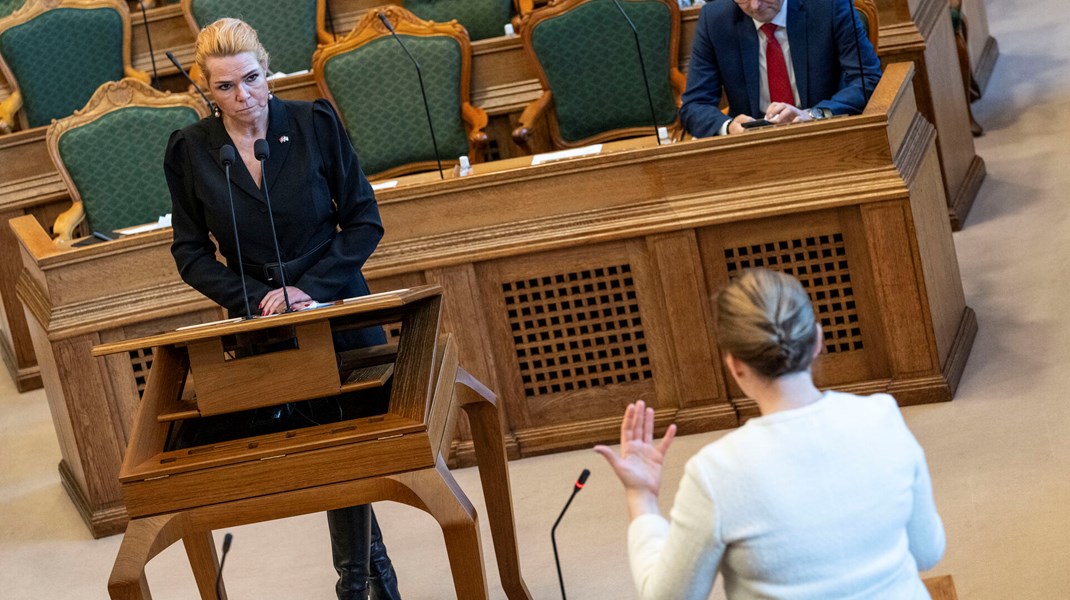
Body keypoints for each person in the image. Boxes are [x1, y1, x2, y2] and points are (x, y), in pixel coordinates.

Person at [163, 18, 401, 600]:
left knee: (351, 447)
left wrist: (311, 289)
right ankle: (370, 581)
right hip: (262, 328)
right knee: (322, 454)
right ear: (205, 89)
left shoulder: (315, 124)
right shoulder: (191, 151)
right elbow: (191, 253)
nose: (243, 97)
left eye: (251, 80)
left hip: (338, 309)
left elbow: (364, 221)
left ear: (267, 70)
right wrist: (254, 300)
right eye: (225, 88)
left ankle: (358, 582)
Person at [595, 269, 945, 599]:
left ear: (735, 365)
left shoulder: (716, 472)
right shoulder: (882, 416)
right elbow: (927, 551)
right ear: (818, 340)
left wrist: (641, 496)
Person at [679, 0, 883, 137]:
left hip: (825, 133)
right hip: (753, 149)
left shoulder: (827, 5)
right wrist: (729, 126)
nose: (754, 6)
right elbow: (695, 105)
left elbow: (868, 80)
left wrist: (813, 115)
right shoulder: (715, 20)